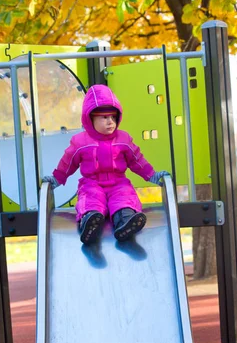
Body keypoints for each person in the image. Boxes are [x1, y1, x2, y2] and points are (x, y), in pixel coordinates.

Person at [42, 84, 168, 244]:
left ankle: (126, 222)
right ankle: (90, 222)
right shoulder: (81, 142)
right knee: (90, 200)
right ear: (90, 118)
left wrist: (152, 175)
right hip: (92, 183)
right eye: (104, 118)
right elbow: (68, 162)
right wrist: (56, 178)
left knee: (124, 198)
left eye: (113, 117)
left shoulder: (123, 139)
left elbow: (137, 159)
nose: (110, 122)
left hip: (118, 183)